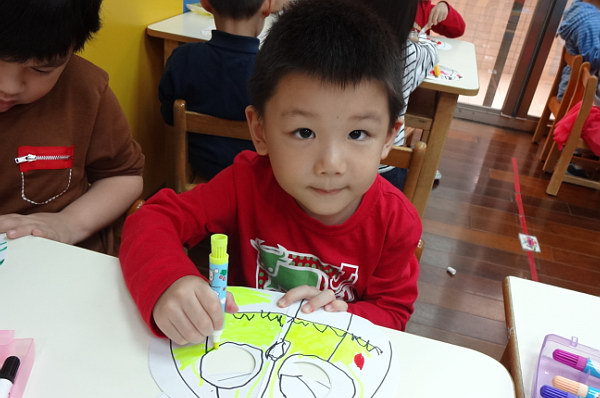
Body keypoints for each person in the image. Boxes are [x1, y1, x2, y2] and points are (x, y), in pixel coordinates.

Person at [120, 0, 422, 345]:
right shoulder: (245, 183)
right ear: (260, 130)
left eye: (358, 134)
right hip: (242, 349)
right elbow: (151, 219)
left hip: (325, 360)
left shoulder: (395, 222)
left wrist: (343, 316)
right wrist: (169, 281)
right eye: (304, 132)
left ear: (388, 137)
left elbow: (393, 313)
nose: (330, 164)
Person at [0, 0, 144, 255]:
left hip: (61, 257)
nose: (8, 87)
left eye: (41, 69)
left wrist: (69, 223)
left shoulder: (85, 90)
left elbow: (122, 176)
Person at [159, 0, 273, 181]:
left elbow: (169, 116)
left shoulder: (182, 58)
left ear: (205, 4)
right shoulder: (273, 72)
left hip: (205, 170)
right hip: (258, 174)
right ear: (267, 6)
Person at [361, 0, 438, 189]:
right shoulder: (409, 53)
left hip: (335, 158)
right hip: (385, 165)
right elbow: (432, 53)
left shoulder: (332, 45)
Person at [556, 0, 600, 102]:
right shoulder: (590, 22)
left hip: (574, 90)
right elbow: (595, 59)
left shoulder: (579, 11)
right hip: (579, 97)